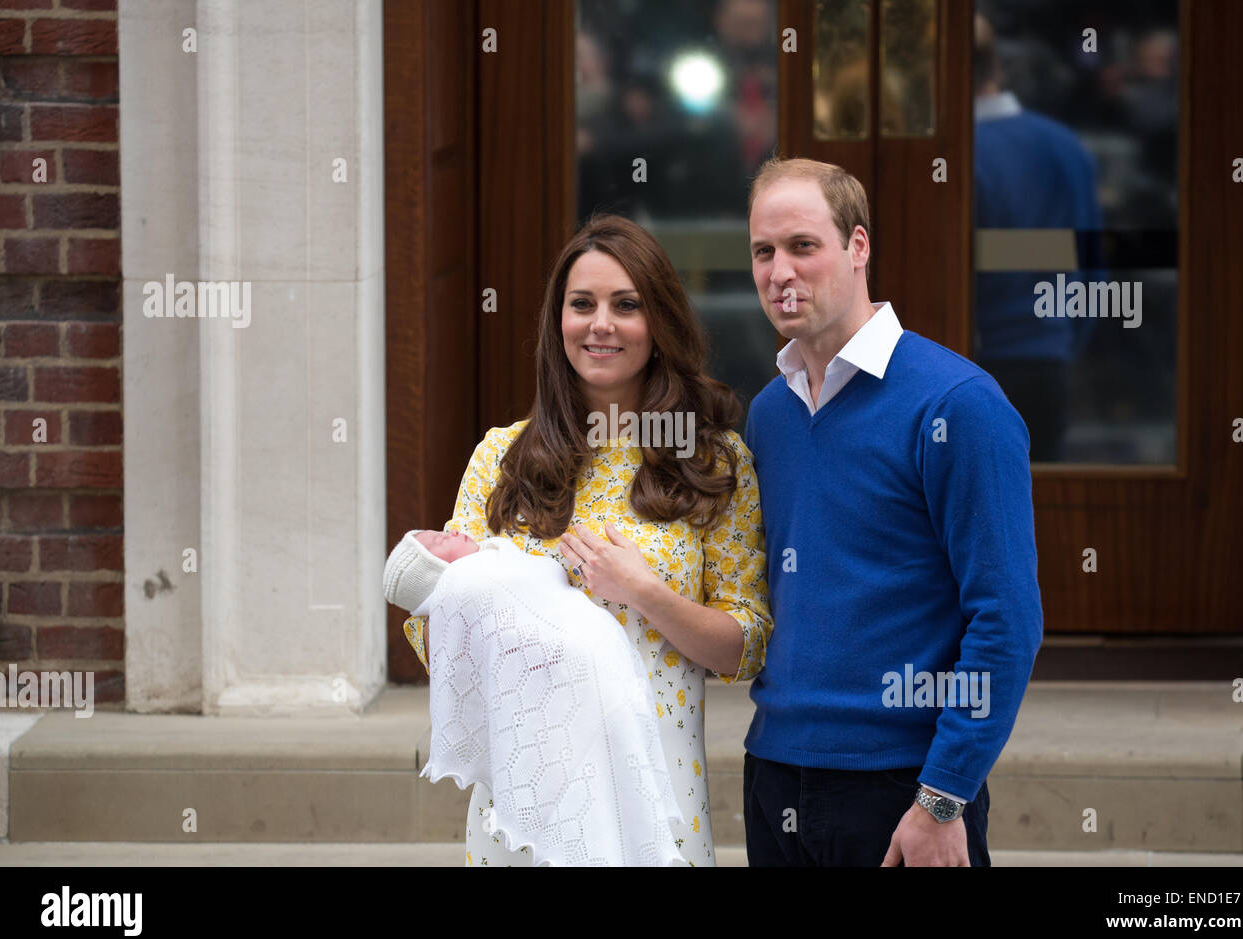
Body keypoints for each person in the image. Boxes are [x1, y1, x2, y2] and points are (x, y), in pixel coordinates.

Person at [403, 214, 772, 867]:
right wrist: (456, 598)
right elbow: (442, 642)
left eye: (625, 305)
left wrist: (645, 594)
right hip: (525, 795)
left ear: (658, 324)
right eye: (582, 304)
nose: (601, 323)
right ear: (559, 321)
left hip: (656, 794)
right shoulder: (501, 456)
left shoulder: (713, 464)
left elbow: (746, 649)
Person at [741, 156, 1043, 866]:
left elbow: (1007, 619)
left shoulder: (958, 404)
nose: (779, 271)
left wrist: (944, 795)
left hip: (903, 788)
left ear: (858, 247)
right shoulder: (768, 414)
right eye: (763, 251)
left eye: (802, 246)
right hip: (775, 771)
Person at [383, 528, 685, 867]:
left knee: (609, 799)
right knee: (582, 807)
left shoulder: (492, 559)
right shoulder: (468, 581)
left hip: (610, 679)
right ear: (437, 570)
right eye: (439, 542)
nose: (451, 530)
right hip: (557, 707)